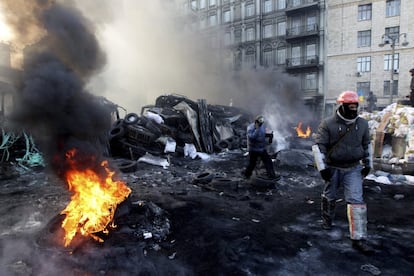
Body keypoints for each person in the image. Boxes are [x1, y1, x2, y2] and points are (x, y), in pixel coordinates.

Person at [312, 91, 374, 255]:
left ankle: (358, 239)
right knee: (329, 195)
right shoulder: (328, 124)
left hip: (353, 168)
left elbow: (367, 144)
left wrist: (369, 164)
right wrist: (323, 168)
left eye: (355, 106)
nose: (353, 109)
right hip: (333, 168)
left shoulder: (362, 124)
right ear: (343, 106)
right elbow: (319, 147)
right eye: (350, 106)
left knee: (356, 201)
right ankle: (327, 220)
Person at [244, 115, 278, 180]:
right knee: (252, 164)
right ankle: (246, 175)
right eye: (259, 123)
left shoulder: (262, 127)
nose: (260, 124)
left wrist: (269, 135)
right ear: (256, 122)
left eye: (261, 123)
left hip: (261, 149)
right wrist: (257, 129)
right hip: (253, 149)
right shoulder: (250, 128)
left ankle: (271, 175)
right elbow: (251, 138)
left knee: (268, 162)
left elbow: (262, 134)